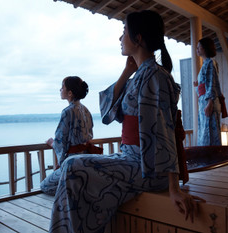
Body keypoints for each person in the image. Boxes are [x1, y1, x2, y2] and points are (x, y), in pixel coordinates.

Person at [43, 10, 205, 233]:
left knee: (72, 166)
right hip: (132, 159)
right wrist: (126, 71)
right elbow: (108, 113)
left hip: (149, 168)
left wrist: (173, 187)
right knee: (73, 172)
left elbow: (164, 133)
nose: (120, 39)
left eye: (124, 32)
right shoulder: (139, 76)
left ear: (138, 38)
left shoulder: (155, 76)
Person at [44, 76, 94, 171]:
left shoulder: (67, 111)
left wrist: (52, 143)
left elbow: (61, 140)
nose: (60, 89)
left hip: (73, 161)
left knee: (45, 185)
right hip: (86, 157)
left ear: (70, 93)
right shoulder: (85, 109)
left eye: (62, 87)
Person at [193, 37, 223, 146]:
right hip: (204, 103)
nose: (197, 49)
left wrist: (210, 102)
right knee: (205, 135)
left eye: (198, 47)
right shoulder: (206, 63)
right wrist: (197, 87)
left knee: (209, 136)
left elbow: (212, 83)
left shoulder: (210, 62)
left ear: (205, 48)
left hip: (208, 104)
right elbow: (204, 89)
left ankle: (211, 160)